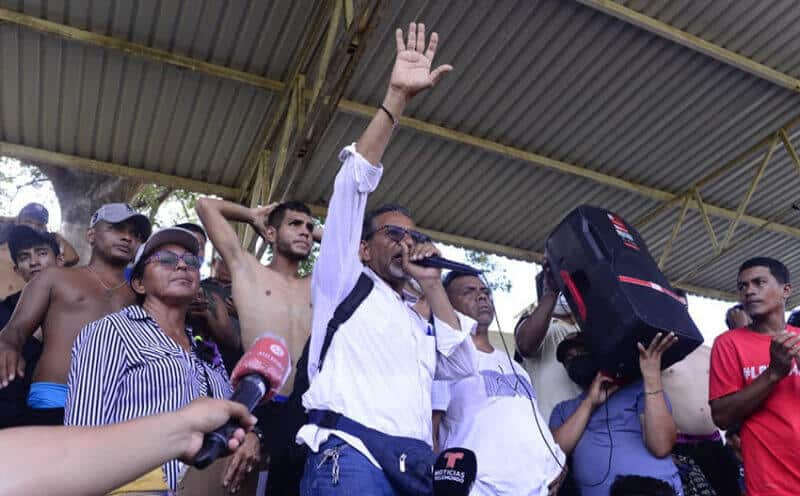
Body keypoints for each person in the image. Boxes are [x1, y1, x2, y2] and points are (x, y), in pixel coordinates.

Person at [297, 23, 477, 494]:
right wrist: (396, 97)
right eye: (392, 233)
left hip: (413, 467)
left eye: (412, 234)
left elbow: (460, 368)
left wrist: (434, 286)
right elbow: (352, 182)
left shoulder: (417, 314)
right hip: (351, 454)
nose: (405, 241)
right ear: (362, 246)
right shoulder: (344, 278)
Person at [64, 227, 257, 493]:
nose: (182, 266)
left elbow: (228, 418)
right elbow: (81, 431)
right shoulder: (113, 331)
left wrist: (250, 437)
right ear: (140, 283)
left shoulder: (206, 347)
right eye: (166, 260)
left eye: (191, 262)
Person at [196, 198, 320, 494]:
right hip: (257, 402)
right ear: (272, 234)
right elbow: (205, 206)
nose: (305, 231)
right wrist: (254, 216)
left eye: (310, 227)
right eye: (295, 224)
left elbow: (358, 249)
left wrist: (305, 229)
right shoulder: (248, 269)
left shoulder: (318, 284)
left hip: (305, 408)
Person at [0, 203, 151, 425]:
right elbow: (14, 331)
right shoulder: (54, 277)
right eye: (117, 228)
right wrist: (8, 346)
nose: (127, 237)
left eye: (135, 234)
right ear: (91, 234)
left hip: (117, 404)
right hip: (54, 398)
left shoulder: (142, 297)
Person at [432, 271, 566, 495]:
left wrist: (556, 461)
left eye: (485, 291)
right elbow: (431, 434)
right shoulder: (446, 359)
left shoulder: (517, 367)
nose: (482, 296)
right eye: (468, 292)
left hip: (540, 489)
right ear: (446, 302)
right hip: (481, 489)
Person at [0, 397, 257, 496]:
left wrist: (185, 430)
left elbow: (63, 457)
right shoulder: (111, 332)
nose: (183, 273)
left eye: (191, 271)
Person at [549, 332, 683, 496]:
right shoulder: (563, 410)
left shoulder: (640, 389)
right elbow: (554, 453)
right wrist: (590, 402)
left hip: (656, 490)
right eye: (568, 359)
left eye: (581, 352)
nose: (575, 360)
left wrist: (652, 378)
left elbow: (661, 446)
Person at [709, 257, 800, 495]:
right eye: (742, 286)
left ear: (785, 290)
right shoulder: (728, 344)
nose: (749, 291)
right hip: (770, 484)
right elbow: (721, 417)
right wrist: (773, 374)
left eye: (759, 283)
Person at [661, 293, 740, 496]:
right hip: (678, 448)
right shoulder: (655, 354)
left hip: (716, 443)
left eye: (683, 308)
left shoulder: (710, 351)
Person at [0, 226, 64, 428]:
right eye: (24, 256)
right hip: (12, 428)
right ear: (17, 270)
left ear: (59, 261)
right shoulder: (4, 311)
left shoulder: (79, 310)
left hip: (70, 424)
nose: (34, 262)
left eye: (42, 253)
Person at [515, 261, 582, 422]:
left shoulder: (590, 326)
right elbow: (525, 345)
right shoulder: (532, 323)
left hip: (591, 430)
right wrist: (551, 292)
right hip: (551, 428)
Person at [0, 203, 79, 299]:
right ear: (17, 222)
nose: (32, 227)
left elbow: (72, 257)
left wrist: (55, 236)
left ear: (44, 229)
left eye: (39, 225)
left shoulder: (45, 255)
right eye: (28, 222)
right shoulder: (3, 250)